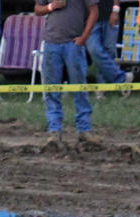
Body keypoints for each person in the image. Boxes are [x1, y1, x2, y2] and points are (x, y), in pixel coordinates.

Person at [38, 0, 100, 148]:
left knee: (80, 88)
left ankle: (84, 129)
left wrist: (84, 37)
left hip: (73, 42)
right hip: (51, 42)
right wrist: (51, 6)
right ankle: (54, 130)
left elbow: (94, 11)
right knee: (52, 89)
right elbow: (38, 9)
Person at [86, 2, 136, 97]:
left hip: (109, 14)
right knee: (94, 49)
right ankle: (122, 78)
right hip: (89, 17)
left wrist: (115, 11)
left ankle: (102, 88)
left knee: (110, 51)